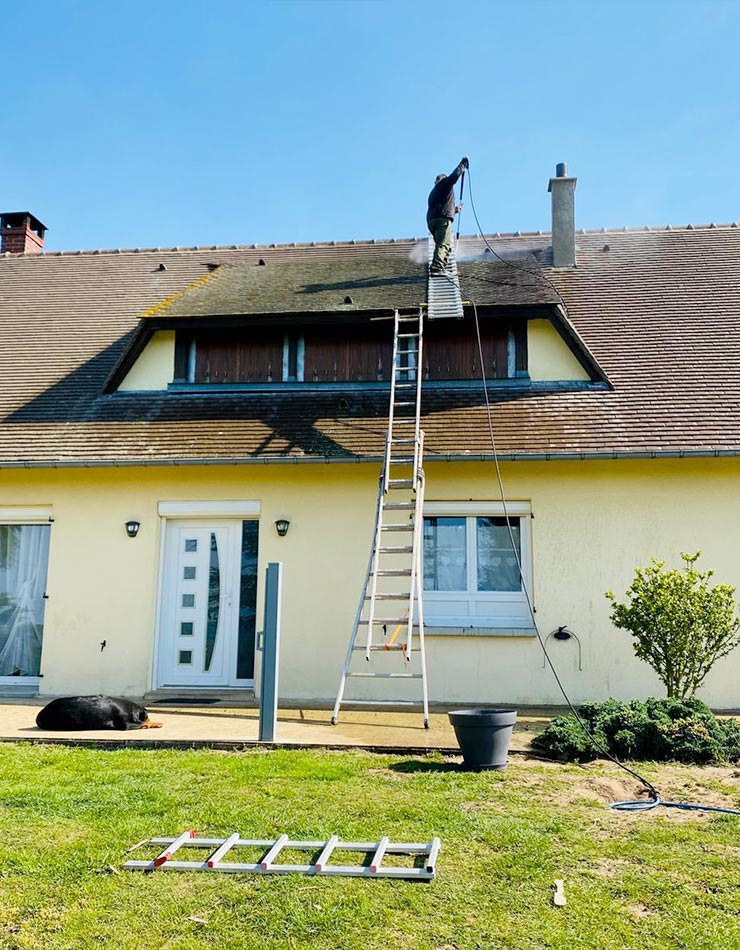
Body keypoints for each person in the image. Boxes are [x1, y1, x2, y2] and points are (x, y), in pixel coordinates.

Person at [426, 156, 469, 274]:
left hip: (433, 221)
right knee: (444, 244)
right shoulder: (444, 184)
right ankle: (437, 268)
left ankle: (440, 266)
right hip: (442, 220)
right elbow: (454, 176)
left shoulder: (433, 193)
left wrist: (454, 210)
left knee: (444, 244)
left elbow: (441, 207)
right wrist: (463, 165)